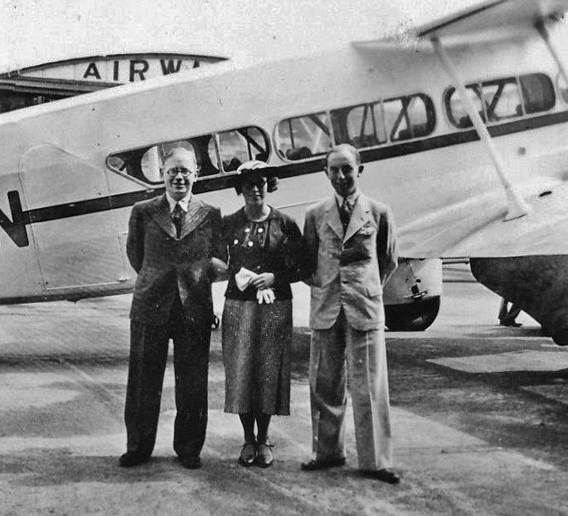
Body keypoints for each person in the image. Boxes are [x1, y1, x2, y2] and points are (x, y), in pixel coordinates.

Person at [300, 143, 400, 484]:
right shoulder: (315, 214)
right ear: (325, 173)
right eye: (334, 170)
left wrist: (365, 287)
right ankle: (326, 453)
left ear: (360, 170)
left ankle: (376, 461)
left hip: (364, 306)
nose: (341, 176)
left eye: (347, 169)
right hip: (327, 306)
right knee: (324, 383)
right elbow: (308, 263)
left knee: (370, 386)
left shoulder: (380, 212)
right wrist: (328, 287)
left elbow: (388, 261)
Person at [120, 146, 223, 470]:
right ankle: (138, 447)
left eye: (185, 171)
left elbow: (218, 258)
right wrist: (157, 279)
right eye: (173, 171)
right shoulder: (143, 211)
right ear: (162, 174)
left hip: (193, 307)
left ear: (196, 174)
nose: (179, 177)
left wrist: (192, 282)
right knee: (143, 381)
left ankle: (189, 448)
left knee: (193, 382)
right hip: (150, 304)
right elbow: (136, 255)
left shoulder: (211, 213)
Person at [219, 160, 305, 468]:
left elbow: (303, 266)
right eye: (249, 184)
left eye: (261, 183)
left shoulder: (285, 224)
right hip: (238, 305)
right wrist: (235, 273)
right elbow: (217, 261)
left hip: (274, 306)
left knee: (269, 372)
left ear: (270, 185)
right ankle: (247, 439)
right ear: (240, 188)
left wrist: (275, 278)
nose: (255, 189)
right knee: (241, 371)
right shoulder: (228, 223)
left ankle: (265, 437)